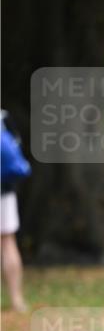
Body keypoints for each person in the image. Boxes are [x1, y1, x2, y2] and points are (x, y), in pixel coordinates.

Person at [1, 111, 31, 312]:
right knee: (7, 241)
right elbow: (16, 147)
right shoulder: (3, 117)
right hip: (4, 190)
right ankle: (16, 300)